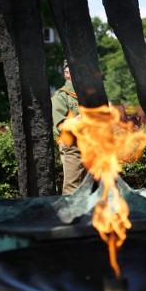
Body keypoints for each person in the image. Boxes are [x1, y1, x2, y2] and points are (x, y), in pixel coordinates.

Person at [51, 60, 85, 194]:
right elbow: (61, 125)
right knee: (73, 189)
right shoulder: (61, 96)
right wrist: (82, 118)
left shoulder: (86, 95)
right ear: (66, 73)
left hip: (91, 144)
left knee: (89, 189)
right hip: (73, 147)